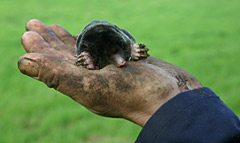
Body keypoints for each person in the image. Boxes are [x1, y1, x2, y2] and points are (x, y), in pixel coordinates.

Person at [18, 19, 240, 143]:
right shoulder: (88, 45)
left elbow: (124, 46)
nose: (120, 62)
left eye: (120, 54)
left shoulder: (123, 42)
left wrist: (171, 100)